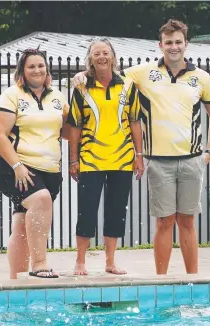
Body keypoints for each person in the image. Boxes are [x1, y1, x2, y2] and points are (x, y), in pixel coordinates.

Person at [72, 20, 210, 275]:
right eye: (168, 42)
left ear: (186, 44)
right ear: (160, 45)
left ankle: (193, 280)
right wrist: (82, 75)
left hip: (192, 160)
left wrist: (209, 152)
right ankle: (161, 280)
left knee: (187, 221)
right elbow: (107, 73)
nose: (173, 47)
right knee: (164, 222)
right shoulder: (142, 73)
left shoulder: (202, 77)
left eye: (178, 42)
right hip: (158, 161)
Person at [64, 37, 144, 276]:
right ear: (90, 58)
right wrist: (73, 159)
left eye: (105, 52)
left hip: (122, 158)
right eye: (96, 53)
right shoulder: (81, 87)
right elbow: (75, 126)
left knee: (116, 210)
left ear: (113, 57)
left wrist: (139, 155)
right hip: (91, 159)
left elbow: (135, 121)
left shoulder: (128, 86)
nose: (101, 56)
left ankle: (110, 262)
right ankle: (80, 261)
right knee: (86, 210)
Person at [0, 48, 69, 279]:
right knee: (40, 199)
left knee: (22, 224)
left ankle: (17, 281)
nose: (37, 70)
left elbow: (66, 131)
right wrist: (17, 166)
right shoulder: (11, 95)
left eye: (41, 66)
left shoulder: (58, 97)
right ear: (22, 72)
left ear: (47, 70)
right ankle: (40, 263)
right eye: (31, 66)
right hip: (14, 167)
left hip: (50, 170)